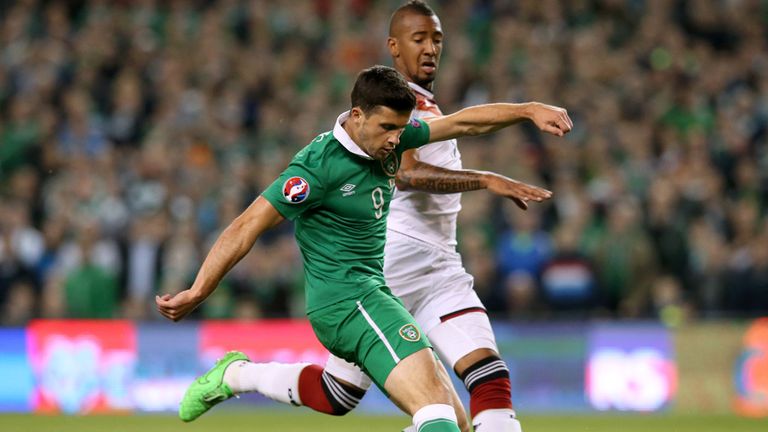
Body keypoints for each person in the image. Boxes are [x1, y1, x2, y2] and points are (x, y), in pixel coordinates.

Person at [157, 65, 570, 432]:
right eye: (387, 128)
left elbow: (464, 124)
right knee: (436, 415)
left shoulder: (391, 138)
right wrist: (199, 290)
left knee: (428, 416)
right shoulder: (317, 168)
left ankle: (236, 375)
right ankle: (235, 374)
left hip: (373, 294)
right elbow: (247, 225)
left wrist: (528, 109)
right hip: (346, 304)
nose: (395, 140)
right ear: (357, 116)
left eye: (400, 129)